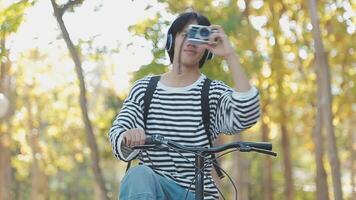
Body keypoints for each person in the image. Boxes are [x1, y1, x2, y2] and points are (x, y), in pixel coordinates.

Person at [109, 11, 261, 200]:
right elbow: (118, 131)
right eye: (185, 34)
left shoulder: (212, 92)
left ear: (207, 47)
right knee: (137, 175)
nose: (191, 42)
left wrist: (230, 55)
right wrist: (126, 135)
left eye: (199, 36)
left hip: (199, 192)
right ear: (171, 41)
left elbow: (247, 114)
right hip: (155, 188)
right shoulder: (145, 89)